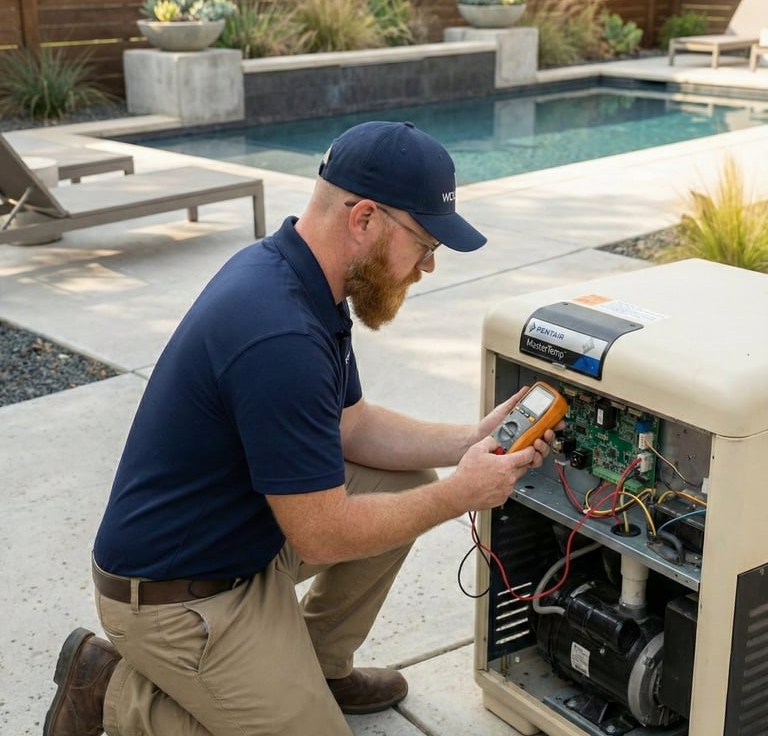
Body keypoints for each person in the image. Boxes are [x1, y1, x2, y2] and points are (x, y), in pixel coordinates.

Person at [43, 120, 554, 736]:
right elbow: (322, 537)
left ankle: (315, 665)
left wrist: (467, 442)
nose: (429, 265)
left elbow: (352, 425)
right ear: (364, 219)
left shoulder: (305, 279)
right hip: (179, 600)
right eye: (425, 242)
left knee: (402, 481)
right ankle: (110, 690)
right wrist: (459, 494)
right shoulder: (279, 333)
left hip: (238, 541)